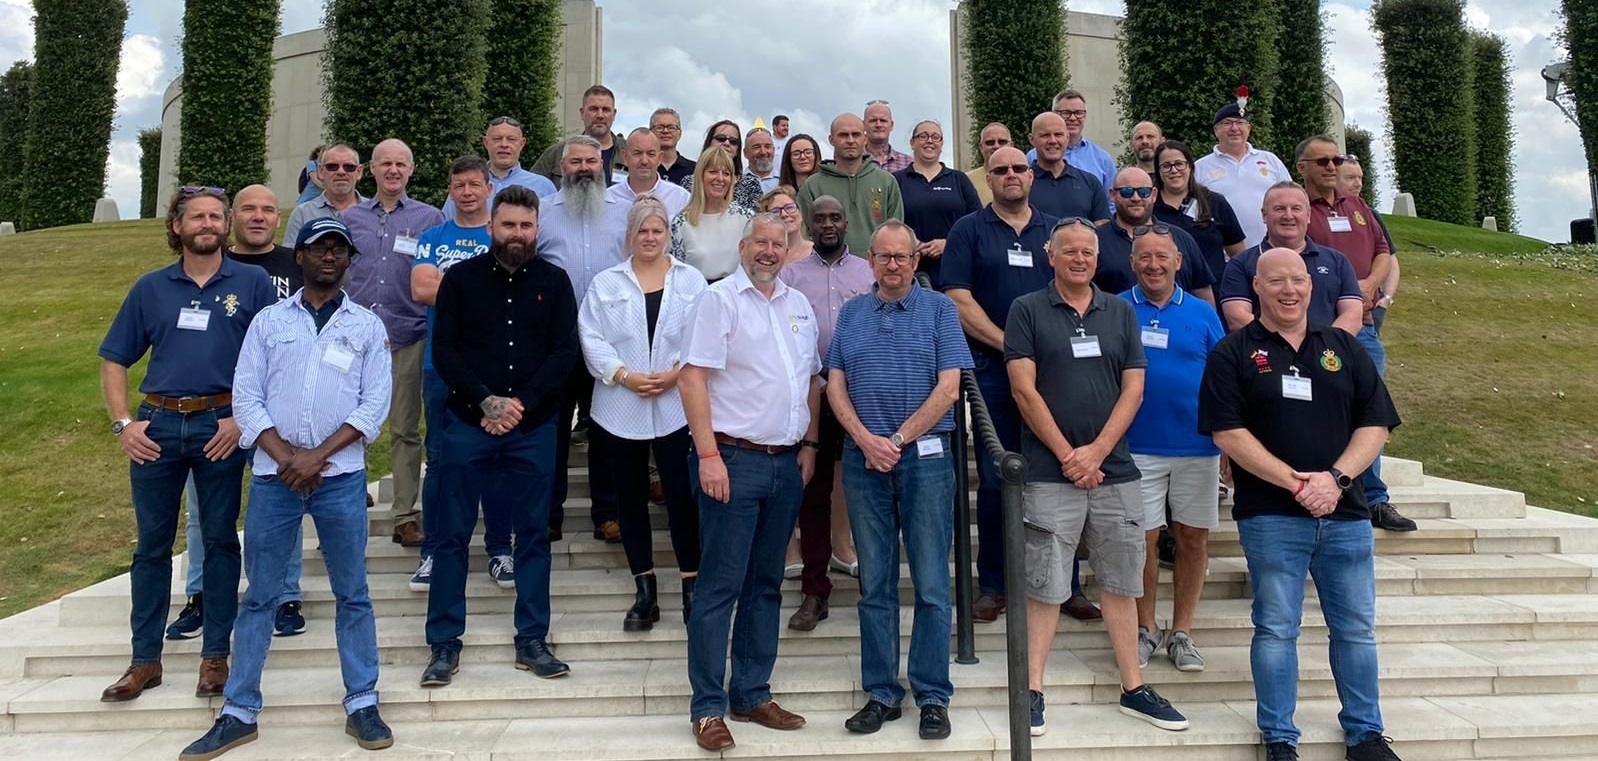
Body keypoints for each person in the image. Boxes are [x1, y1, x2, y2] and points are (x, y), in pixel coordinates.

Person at [178, 218, 394, 761]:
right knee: (260, 596)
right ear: (299, 257)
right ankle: (239, 710)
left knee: (353, 594)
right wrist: (286, 457)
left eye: (338, 249)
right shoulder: (269, 322)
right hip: (276, 480)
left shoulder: (366, 326)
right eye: (319, 247)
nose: (328, 256)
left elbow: (374, 405)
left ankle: (363, 701)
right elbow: (246, 398)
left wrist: (316, 457)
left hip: (339, 478)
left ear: (349, 261)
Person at [1198, 248, 1405, 761]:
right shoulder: (1233, 352)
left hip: (1347, 514)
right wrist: (1295, 483)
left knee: (1355, 629)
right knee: (1275, 628)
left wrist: (1334, 480)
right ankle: (1279, 738)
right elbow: (1228, 432)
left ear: (1312, 288)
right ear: (1257, 290)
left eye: (1298, 280)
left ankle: (1366, 734)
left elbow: (1375, 424)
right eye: (1277, 281)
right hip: (1270, 515)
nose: (1290, 290)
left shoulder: (1343, 346)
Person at [1005, 217, 1188, 737]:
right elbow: (1024, 391)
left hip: (1117, 473)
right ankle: (1032, 688)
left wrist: (1098, 453)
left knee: (1121, 581)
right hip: (1048, 472)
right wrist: (1069, 456)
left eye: (1087, 250)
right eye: (1070, 251)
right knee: (1044, 585)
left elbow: (1134, 390)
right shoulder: (1026, 310)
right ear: (1052, 256)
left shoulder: (1121, 312)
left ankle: (1133, 687)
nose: (1080, 258)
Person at [97, 186, 277, 703]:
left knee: (220, 540)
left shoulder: (253, 281)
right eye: (196, 216)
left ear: (227, 226)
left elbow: (275, 357)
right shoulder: (151, 288)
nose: (207, 224)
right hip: (156, 428)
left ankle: (215, 657)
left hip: (221, 427)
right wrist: (124, 423)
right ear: (176, 227)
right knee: (151, 547)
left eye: (216, 217)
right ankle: (143, 661)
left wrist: (243, 421)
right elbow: (114, 359)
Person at [421, 185, 578, 688]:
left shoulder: (555, 282)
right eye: (508, 225)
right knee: (451, 537)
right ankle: (444, 643)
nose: (517, 235)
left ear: (537, 229)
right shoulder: (461, 281)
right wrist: (487, 401)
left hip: (532, 430)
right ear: (491, 226)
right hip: (468, 424)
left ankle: (532, 638)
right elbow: (445, 350)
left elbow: (563, 354)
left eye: (526, 226)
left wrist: (520, 406)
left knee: (533, 536)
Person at [680, 213, 821, 752]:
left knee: (766, 585)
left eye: (777, 243)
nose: (768, 250)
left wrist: (808, 446)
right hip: (732, 460)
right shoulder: (719, 300)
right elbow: (692, 377)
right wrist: (708, 454)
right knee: (720, 585)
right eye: (759, 242)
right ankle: (708, 708)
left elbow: (810, 381)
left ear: (788, 248)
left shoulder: (797, 305)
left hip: (785, 465)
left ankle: (752, 693)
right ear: (743, 247)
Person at [940, 146, 1098, 623]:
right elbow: (958, 299)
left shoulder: (1056, 230)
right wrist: (1014, 347)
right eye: (1000, 170)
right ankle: (994, 585)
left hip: (1057, 375)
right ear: (988, 178)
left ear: (1031, 175)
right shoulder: (968, 229)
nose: (1010, 175)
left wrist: (1038, 355)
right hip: (992, 373)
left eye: (1018, 168)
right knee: (995, 479)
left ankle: (1065, 585)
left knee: (1059, 477)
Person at [829, 221, 971, 741]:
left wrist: (899, 439)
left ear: (916, 260)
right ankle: (882, 692)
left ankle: (932, 694)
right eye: (884, 256)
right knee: (876, 584)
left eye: (903, 257)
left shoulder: (939, 311)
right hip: (864, 460)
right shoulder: (851, 314)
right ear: (870, 260)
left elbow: (949, 387)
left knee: (933, 583)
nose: (893, 265)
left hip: (925, 460)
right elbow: (836, 385)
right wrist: (868, 440)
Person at [168, 184, 309, 642]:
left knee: (282, 503)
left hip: (274, 410)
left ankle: (285, 595)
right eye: (249, 208)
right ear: (233, 218)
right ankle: (202, 595)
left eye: (269, 209)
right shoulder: (208, 266)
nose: (259, 217)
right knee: (203, 510)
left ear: (278, 218)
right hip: (213, 411)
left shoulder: (296, 264)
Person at [578, 196, 708, 631]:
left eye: (657, 230)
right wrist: (623, 375)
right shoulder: (606, 283)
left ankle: (691, 584)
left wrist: (677, 374)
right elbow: (590, 336)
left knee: (681, 497)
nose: (650, 238)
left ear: (668, 234)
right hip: (620, 404)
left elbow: (704, 335)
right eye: (642, 231)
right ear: (629, 235)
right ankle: (645, 590)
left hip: (677, 403)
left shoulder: (691, 281)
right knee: (629, 498)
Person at [1119, 229, 1225, 674]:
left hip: (1198, 447)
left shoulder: (1202, 313)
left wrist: (1230, 445)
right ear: (1132, 262)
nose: (1154, 265)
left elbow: (1224, 381)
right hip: (1136, 447)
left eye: (1162, 257)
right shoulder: (1115, 308)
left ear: (1178, 261)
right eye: (1145, 257)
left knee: (1191, 538)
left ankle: (1182, 632)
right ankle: (1145, 628)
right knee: (1141, 541)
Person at [1295, 136, 1413, 533]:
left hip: (1362, 330)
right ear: (1303, 168)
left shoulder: (1358, 207)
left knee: (1370, 412)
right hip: (1318, 330)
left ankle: (1375, 498)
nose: (1332, 167)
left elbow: (1383, 251)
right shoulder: (1299, 211)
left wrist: (1368, 286)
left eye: (1336, 160)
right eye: (1323, 161)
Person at [407, 156, 513, 592]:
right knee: (440, 460)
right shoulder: (433, 236)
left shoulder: (504, 234)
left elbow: (511, 291)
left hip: (497, 368)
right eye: (459, 186)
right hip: (442, 365)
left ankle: (500, 550)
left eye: (474, 184)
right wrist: (478, 288)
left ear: (489, 188)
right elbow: (419, 289)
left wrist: (452, 286)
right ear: (449, 191)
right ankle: (434, 551)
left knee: (501, 458)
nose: (467, 192)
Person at [341, 139, 445, 550]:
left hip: (407, 335)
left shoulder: (429, 218)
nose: (393, 171)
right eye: (386, 164)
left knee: (404, 429)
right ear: (372, 169)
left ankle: (405, 515)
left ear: (411, 170)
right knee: (349, 428)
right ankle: (348, 510)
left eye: (401, 164)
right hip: (355, 338)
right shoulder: (350, 219)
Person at [780, 196, 874, 632]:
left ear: (846, 221)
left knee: (868, 491)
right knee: (813, 495)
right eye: (820, 219)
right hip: (812, 398)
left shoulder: (868, 272)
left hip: (863, 399)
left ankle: (876, 584)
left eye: (836, 216)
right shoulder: (790, 275)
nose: (829, 224)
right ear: (811, 226)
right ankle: (815, 591)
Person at [536, 135, 632, 543]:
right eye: (575, 161)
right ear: (561, 167)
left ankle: (607, 513)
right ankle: (548, 514)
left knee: (608, 430)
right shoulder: (541, 212)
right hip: (554, 340)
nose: (583, 168)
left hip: (611, 341)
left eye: (591, 161)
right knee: (553, 429)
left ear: (602, 165)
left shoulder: (625, 213)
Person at [1220, 182, 1363, 336]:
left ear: (1308, 215)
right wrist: (1287, 346)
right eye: (1279, 209)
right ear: (1264, 215)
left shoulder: (1337, 261)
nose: (1288, 216)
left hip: (1327, 356)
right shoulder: (1241, 264)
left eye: (1296, 208)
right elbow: (1237, 318)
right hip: (1265, 356)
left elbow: (1352, 315)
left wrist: (1323, 347)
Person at [1093, 167, 1215, 302]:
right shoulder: (1095, 240)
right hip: (1116, 322)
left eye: (1144, 192)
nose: (1136, 198)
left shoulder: (1180, 238)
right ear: (1112, 194)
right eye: (1127, 192)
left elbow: (1202, 290)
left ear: (1154, 195)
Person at [1194, 94, 1293, 248]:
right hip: (1223, 256)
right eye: (1227, 123)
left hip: (1273, 250)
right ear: (1216, 130)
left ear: (1248, 128)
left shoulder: (1270, 160)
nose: (1234, 128)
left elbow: (1291, 197)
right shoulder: (1200, 167)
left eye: (1240, 122)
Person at [799, 113, 904, 256]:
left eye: (856, 135)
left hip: (875, 269)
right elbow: (805, 234)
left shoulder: (886, 181)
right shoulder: (813, 185)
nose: (850, 140)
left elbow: (895, 231)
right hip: (828, 269)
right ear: (831, 139)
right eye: (843, 135)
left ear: (865, 138)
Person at [894, 119, 982, 287]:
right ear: (912, 143)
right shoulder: (897, 180)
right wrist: (911, 242)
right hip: (908, 270)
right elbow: (888, 222)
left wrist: (948, 243)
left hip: (954, 268)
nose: (929, 141)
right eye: (923, 136)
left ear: (941, 144)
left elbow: (977, 223)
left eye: (936, 137)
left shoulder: (959, 180)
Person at [1152, 140, 1248, 285]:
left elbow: (1238, 253)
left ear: (1190, 167)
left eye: (1179, 164)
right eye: (1166, 166)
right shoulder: (1151, 207)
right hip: (1166, 292)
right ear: (1158, 172)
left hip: (1215, 292)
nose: (1173, 170)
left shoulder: (1215, 202)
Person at [441, 116, 558, 218]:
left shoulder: (543, 186)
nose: (504, 144)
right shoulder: (465, 185)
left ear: (522, 144)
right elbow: (447, 223)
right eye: (497, 139)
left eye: (511, 139)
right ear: (486, 143)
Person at [670, 148, 755, 282]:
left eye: (726, 173)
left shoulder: (746, 218)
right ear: (700, 175)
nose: (720, 179)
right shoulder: (681, 223)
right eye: (713, 172)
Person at [1337, 156, 1400, 333]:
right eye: (1350, 178)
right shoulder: (1314, 213)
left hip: (1368, 312)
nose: (1358, 184)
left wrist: (1386, 299)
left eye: (1360, 178)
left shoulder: (1369, 214)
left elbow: (1389, 258)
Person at [1024, 89, 1117, 194]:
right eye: (1066, 113)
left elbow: (1112, 202)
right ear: (1054, 114)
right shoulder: (1032, 157)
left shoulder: (1102, 159)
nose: (1073, 118)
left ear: (1085, 115)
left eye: (1078, 113)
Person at [531, 84, 625, 185]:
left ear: (614, 114)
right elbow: (532, 190)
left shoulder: (631, 153)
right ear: (582, 113)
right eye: (594, 109)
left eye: (606, 110)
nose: (600, 115)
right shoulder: (556, 153)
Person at [1028, 111, 1111, 223]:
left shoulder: (1090, 183)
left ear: (1067, 137)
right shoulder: (1023, 183)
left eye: (1058, 135)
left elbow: (1103, 227)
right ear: (1032, 139)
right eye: (1045, 135)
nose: (1053, 141)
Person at [284, 143, 365, 245]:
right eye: (332, 166)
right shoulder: (302, 214)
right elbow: (291, 257)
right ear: (321, 171)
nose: (341, 172)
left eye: (349, 167)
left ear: (359, 172)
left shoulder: (377, 212)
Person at [608, 127, 691, 218]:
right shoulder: (607, 200)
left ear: (660, 158)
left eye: (651, 154)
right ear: (625, 157)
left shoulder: (681, 199)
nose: (644, 161)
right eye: (637, 153)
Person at [681, 119, 764, 208]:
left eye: (733, 141)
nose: (727, 143)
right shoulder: (689, 183)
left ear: (737, 151)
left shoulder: (751, 185)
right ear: (709, 143)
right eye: (721, 138)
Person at [757, 185, 810, 265]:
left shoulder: (818, 252)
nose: (784, 214)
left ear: (800, 213)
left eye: (790, 207)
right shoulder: (765, 256)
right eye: (775, 211)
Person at [967, 122, 1013, 206]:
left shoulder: (1024, 176)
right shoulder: (967, 180)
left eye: (1002, 142)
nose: (996, 146)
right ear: (981, 147)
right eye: (990, 142)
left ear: (1011, 145)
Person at [862, 99, 911, 173]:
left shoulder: (908, 163)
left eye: (883, 120)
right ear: (863, 125)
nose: (878, 125)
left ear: (891, 125)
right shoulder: (853, 161)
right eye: (873, 120)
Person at [652, 107, 697, 187]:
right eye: (659, 127)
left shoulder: (695, 170)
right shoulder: (642, 167)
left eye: (671, 127)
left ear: (679, 134)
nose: (665, 131)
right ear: (650, 133)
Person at [743, 127, 781, 194]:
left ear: (774, 150)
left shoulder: (785, 181)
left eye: (767, 146)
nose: (763, 152)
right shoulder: (735, 183)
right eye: (756, 147)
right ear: (745, 153)